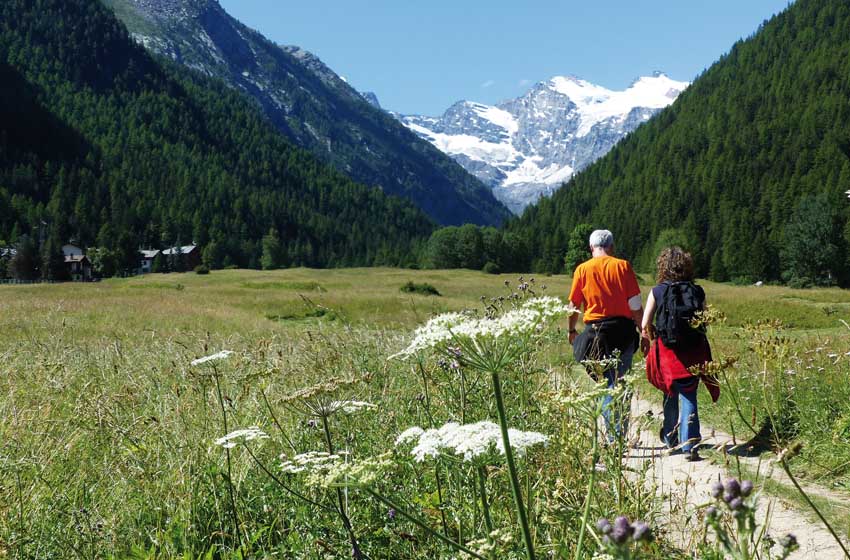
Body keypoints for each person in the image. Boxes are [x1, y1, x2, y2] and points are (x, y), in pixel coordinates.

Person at [641, 247, 718, 462]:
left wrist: (650, 337)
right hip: (694, 349)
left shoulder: (657, 291)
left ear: (663, 267)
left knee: (669, 390)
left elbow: (645, 322)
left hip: (668, 351)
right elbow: (706, 319)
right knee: (689, 393)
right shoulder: (697, 290)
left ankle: (670, 436)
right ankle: (690, 444)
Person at [569, 229, 645, 442]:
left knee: (604, 384)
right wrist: (644, 331)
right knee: (621, 383)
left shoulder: (582, 270)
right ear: (611, 247)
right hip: (624, 332)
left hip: (596, 335)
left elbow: (573, 306)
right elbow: (635, 305)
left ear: (591, 247)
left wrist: (571, 330)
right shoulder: (622, 266)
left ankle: (612, 438)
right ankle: (617, 437)